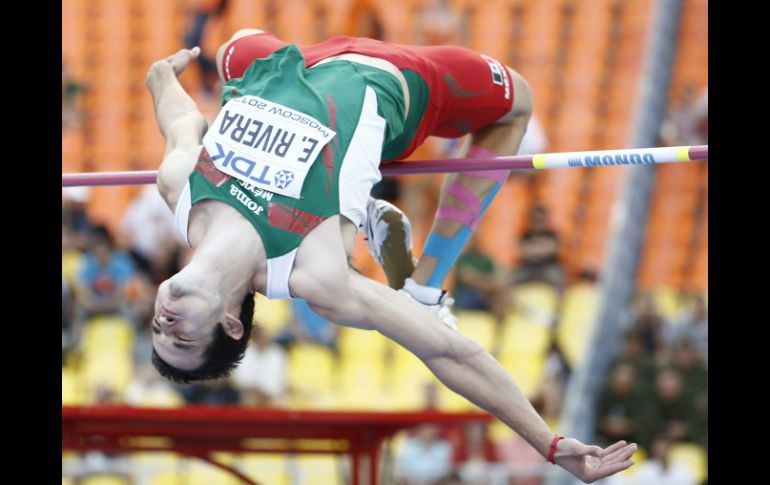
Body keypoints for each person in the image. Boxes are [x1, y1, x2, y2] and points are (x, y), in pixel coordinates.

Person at [145, 30, 636, 482]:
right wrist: (547, 442)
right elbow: (447, 352)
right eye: (182, 338)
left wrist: (161, 79)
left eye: (157, 328)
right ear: (231, 323)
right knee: (517, 103)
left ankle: (359, 207)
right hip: (393, 78)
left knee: (236, 47)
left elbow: (183, 120)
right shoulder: (316, 275)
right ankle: (422, 281)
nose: (166, 323)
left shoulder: (181, 190)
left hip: (289, 64)